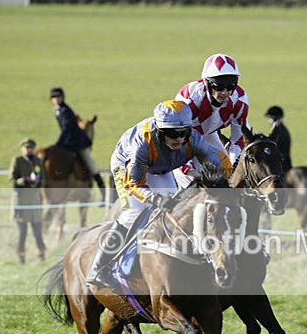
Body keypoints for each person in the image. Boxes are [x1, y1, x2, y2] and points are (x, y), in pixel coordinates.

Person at [85, 100, 233, 288]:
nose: (179, 138)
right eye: (172, 134)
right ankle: (98, 267)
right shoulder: (142, 145)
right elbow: (133, 184)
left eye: (183, 132)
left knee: (175, 208)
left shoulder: (193, 139)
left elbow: (218, 163)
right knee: (135, 212)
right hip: (127, 167)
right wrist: (154, 198)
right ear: (160, 132)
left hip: (161, 167)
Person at [174, 53, 250, 180]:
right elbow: (174, 137)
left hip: (208, 135)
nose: (225, 92)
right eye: (219, 87)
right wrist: (189, 169)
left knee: (227, 174)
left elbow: (238, 141)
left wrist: (234, 169)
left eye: (230, 86)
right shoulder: (190, 99)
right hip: (181, 139)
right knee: (192, 179)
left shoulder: (240, 101)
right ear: (206, 83)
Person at [49, 86, 106, 205]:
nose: (56, 99)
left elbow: (66, 129)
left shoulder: (66, 110)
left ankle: (103, 193)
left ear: (62, 98)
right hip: (68, 142)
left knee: (91, 165)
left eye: (58, 97)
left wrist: (58, 143)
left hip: (78, 143)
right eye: (54, 97)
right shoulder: (58, 110)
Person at [10, 137, 46, 264]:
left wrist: (38, 180)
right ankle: (20, 254)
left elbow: (44, 180)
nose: (29, 150)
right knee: (22, 232)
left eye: (31, 148)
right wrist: (24, 180)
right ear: (22, 149)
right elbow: (12, 181)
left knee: (38, 231)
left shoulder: (38, 161)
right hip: (22, 201)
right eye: (26, 148)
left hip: (35, 201)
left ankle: (41, 253)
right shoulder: (17, 161)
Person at [265, 105, 292, 173]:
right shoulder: (282, 129)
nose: (268, 120)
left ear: (272, 119)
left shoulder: (277, 132)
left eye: (269, 118)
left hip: (281, 167)